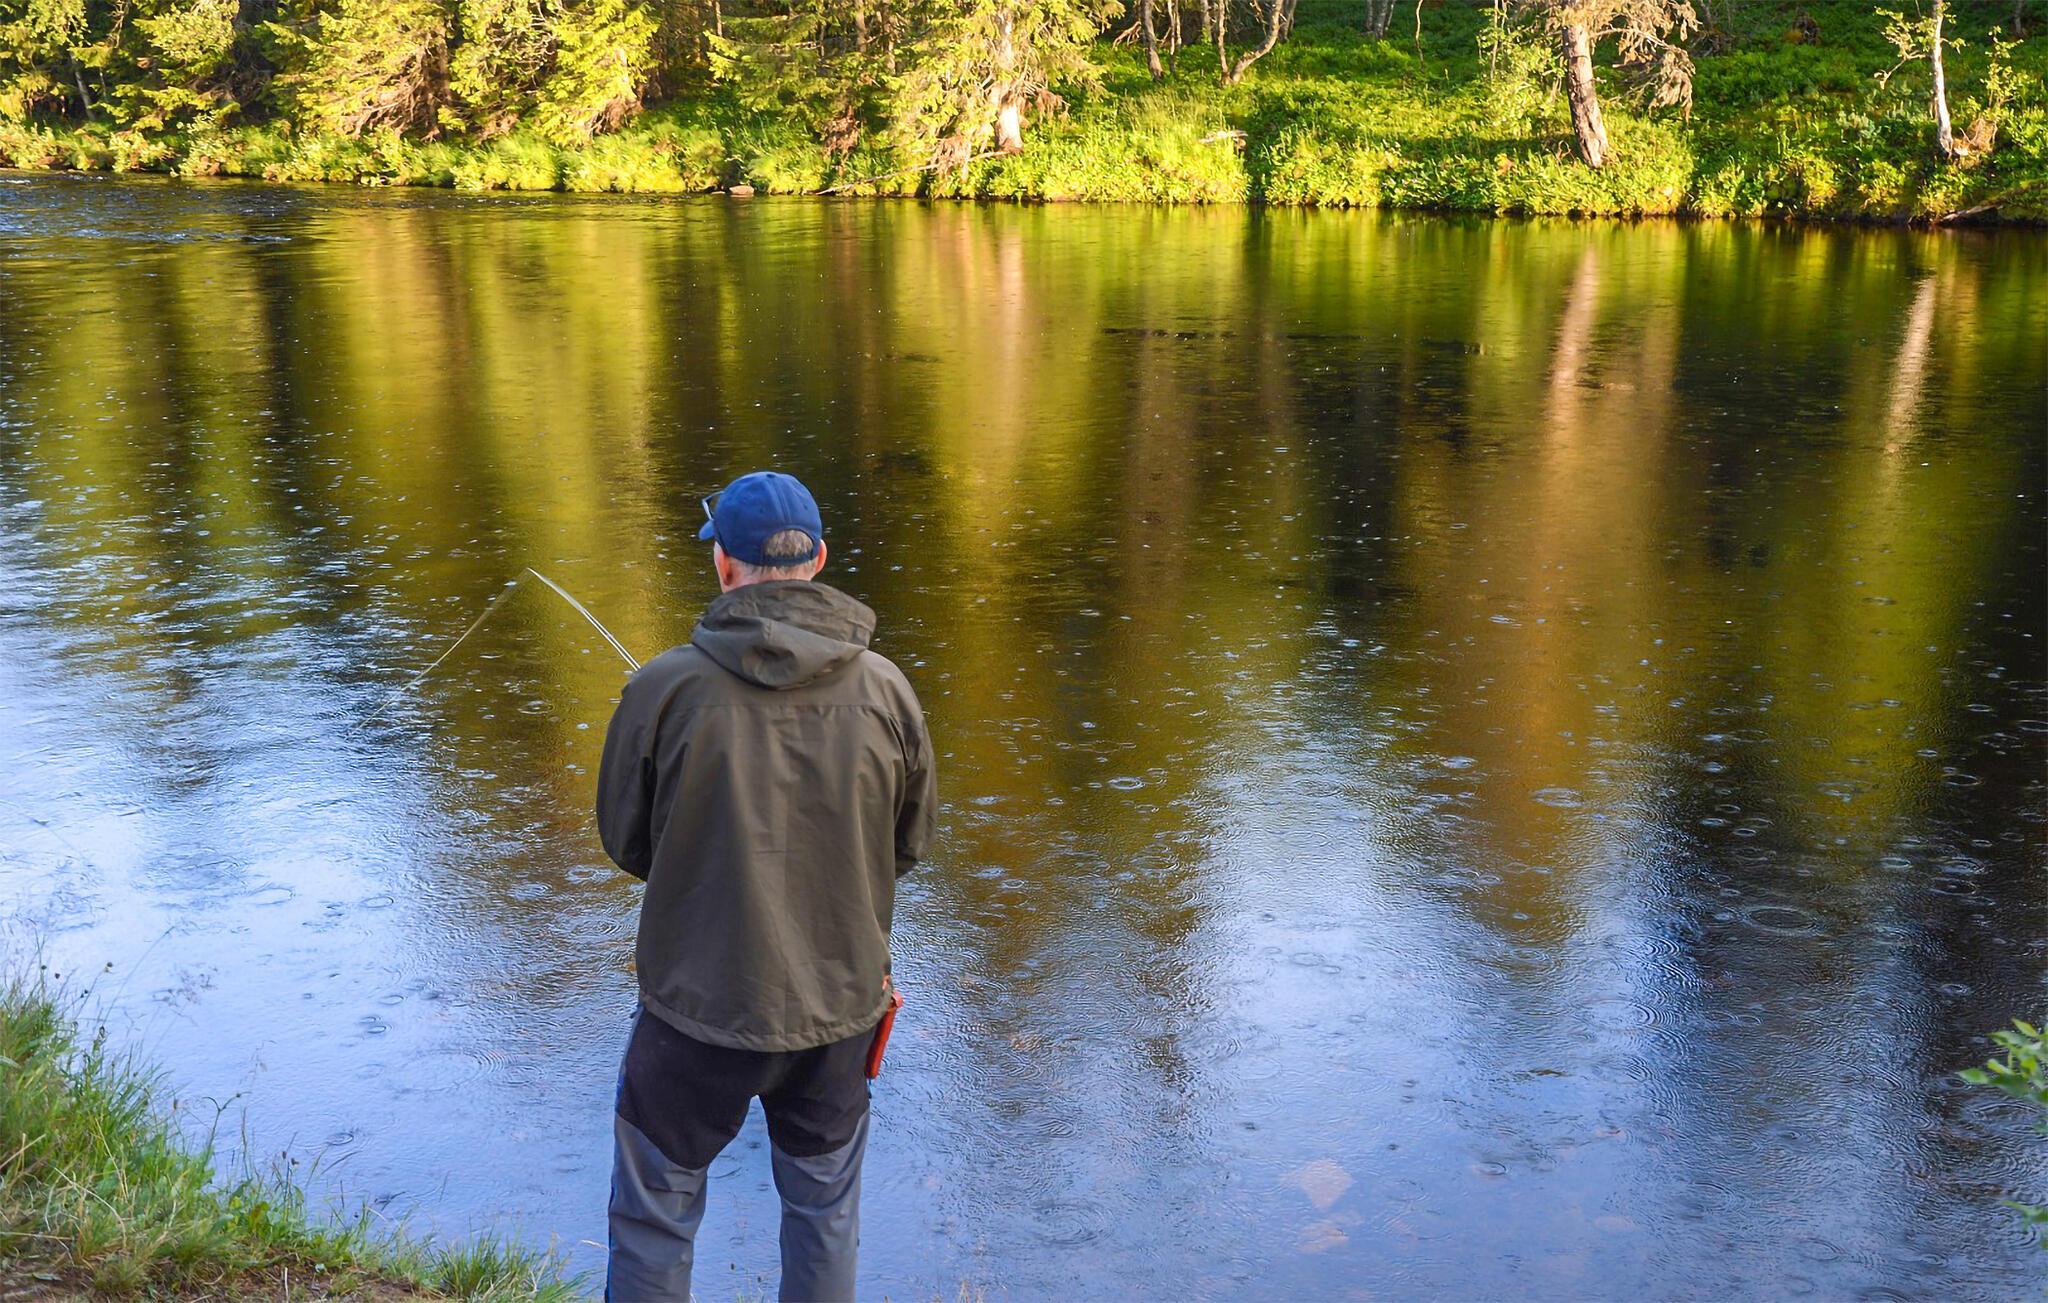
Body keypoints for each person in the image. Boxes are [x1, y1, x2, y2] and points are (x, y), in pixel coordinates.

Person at [596, 470, 937, 1302]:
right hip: (839, 1008)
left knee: (655, 1218)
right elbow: (908, 844)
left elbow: (627, 842)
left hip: (694, 1010)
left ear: (724, 564)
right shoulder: (888, 690)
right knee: (824, 1217)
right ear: (817, 559)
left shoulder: (662, 687)